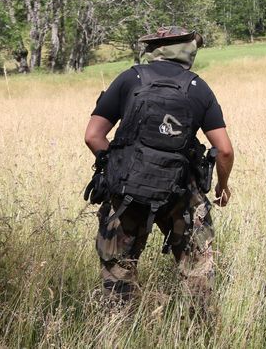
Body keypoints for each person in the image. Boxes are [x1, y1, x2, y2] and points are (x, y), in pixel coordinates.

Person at [84, 25, 234, 317]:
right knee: (197, 270)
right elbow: (224, 149)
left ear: (152, 49)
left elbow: (93, 135)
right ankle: (200, 334)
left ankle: (117, 331)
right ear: (189, 50)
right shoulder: (197, 86)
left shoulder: (130, 78)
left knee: (118, 270)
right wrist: (222, 186)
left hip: (126, 191)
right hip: (181, 193)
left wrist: (117, 165)